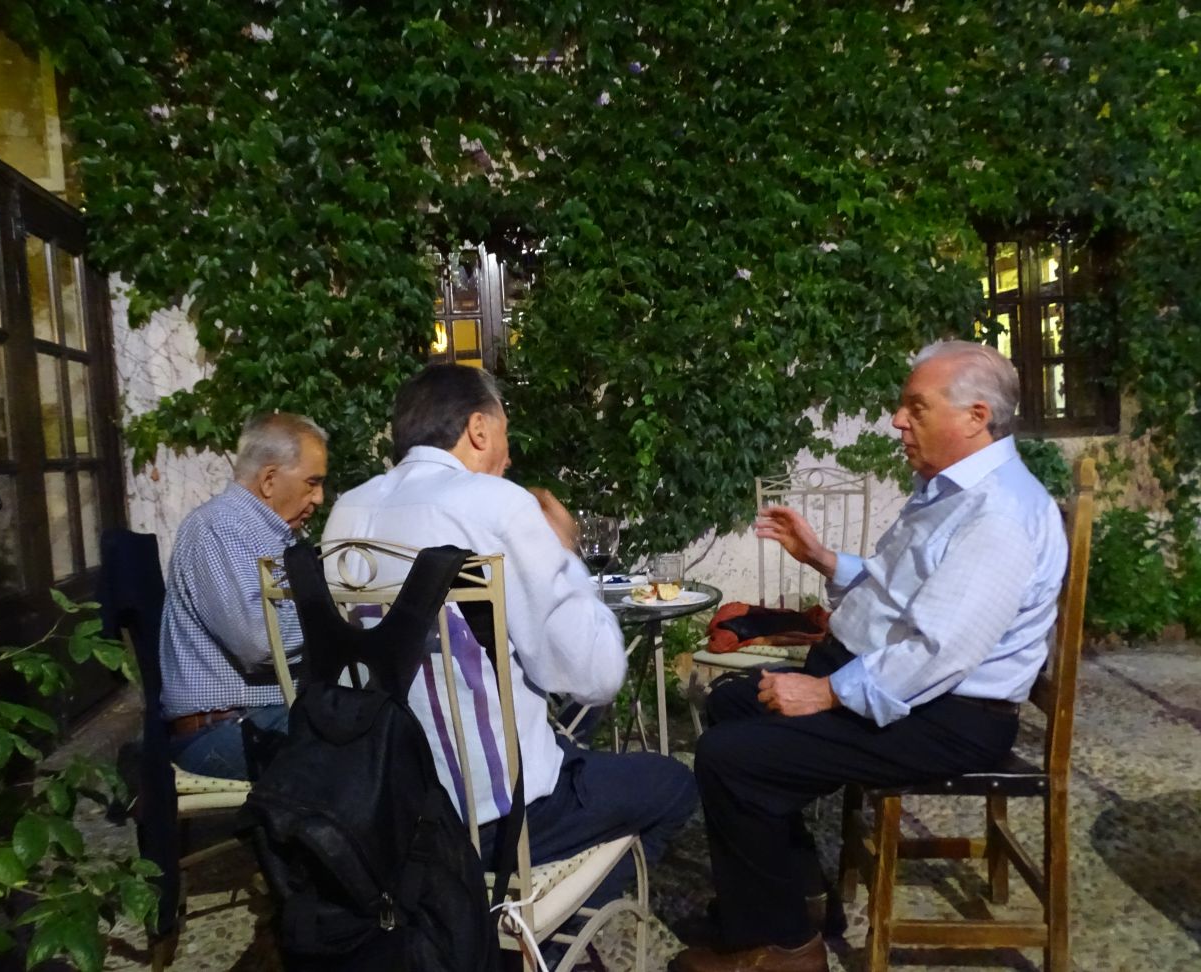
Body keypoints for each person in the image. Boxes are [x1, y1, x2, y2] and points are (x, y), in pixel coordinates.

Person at [670, 340, 1068, 972]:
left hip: (946, 713)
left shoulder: (1000, 513)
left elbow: (938, 650)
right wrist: (825, 560)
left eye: (916, 406)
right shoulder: (951, 490)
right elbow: (902, 593)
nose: (897, 420)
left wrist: (827, 692)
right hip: (900, 682)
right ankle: (796, 894)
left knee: (730, 759)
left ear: (976, 417)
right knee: (734, 703)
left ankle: (783, 950)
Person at [323, 364, 697, 902]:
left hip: (385, 808)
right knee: (676, 786)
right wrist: (566, 554)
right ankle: (539, 924)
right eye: (505, 434)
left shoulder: (348, 509)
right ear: (478, 429)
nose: (510, 456)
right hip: (496, 821)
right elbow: (595, 676)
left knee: (560, 735)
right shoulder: (496, 504)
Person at [160, 412, 328, 780]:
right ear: (269, 479)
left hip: (263, 715)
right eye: (312, 483)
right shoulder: (220, 527)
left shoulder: (272, 535)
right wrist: (333, 622)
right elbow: (261, 644)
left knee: (379, 727)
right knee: (363, 751)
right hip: (225, 727)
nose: (319, 497)